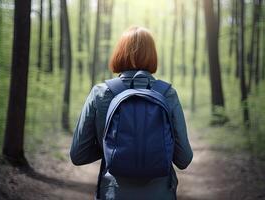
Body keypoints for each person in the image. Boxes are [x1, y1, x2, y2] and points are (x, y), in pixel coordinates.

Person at [70, 26, 193, 200]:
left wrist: (111, 146)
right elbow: (184, 159)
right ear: (153, 55)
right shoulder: (167, 94)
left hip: (113, 193)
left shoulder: (100, 93)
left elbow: (78, 155)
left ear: (119, 53)